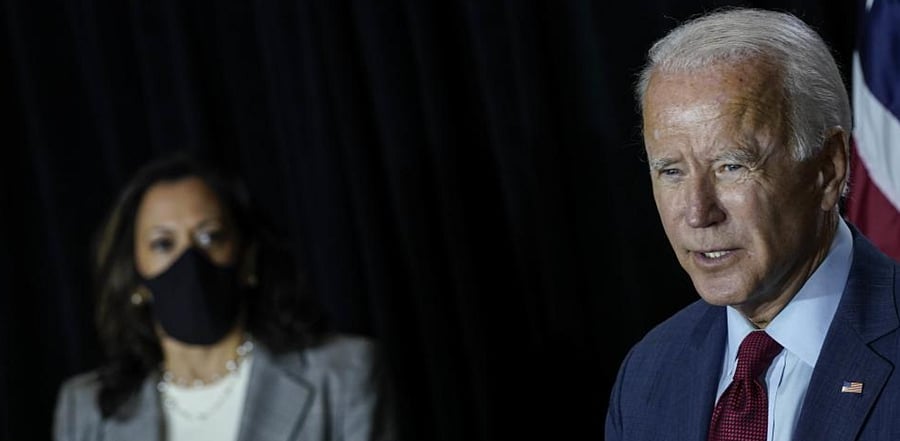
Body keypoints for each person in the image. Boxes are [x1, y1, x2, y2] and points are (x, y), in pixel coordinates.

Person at [606, 7, 900, 441]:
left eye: (731, 165)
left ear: (827, 168)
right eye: (671, 171)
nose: (697, 213)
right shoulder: (649, 372)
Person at [53, 152, 393, 441]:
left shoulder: (343, 374)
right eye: (163, 243)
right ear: (134, 276)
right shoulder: (86, 409)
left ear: (246, 259)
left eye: (209, 237)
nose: (189, 261)